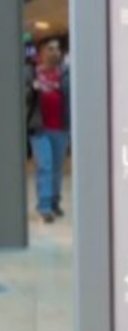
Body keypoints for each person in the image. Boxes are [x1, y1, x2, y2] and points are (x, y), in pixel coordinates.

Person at [26, 36, 70, 224]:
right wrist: (32, 89)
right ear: (42, 52)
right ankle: (44, 206)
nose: (55, 52)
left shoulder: (66, 73)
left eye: (57, 49)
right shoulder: (32, 73)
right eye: (50, 49)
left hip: (61, 127)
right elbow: (23, 97)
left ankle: (54, 203)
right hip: (40, 128)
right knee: (46, 166)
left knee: (57, 168)